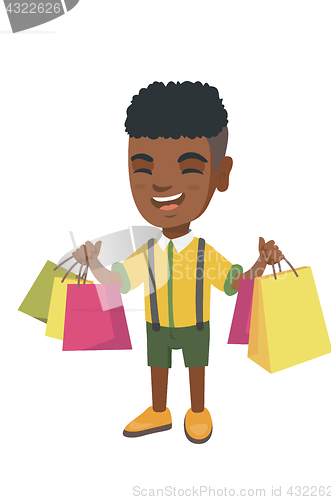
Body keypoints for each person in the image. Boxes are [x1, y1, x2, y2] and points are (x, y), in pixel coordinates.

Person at [72, 81, 283, 444]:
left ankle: (197, 410)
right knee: (157, 367)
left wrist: (260, 265)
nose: (163, 183)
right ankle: (159, 410)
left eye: (187, 167)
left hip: (196, 326)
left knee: (196, 368)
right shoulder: (149, 253)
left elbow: (234, 286)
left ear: (221, 174)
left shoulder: (203, 253)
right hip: (156, 326)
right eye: (144, 167)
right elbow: (117, 285)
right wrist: (93, 264)